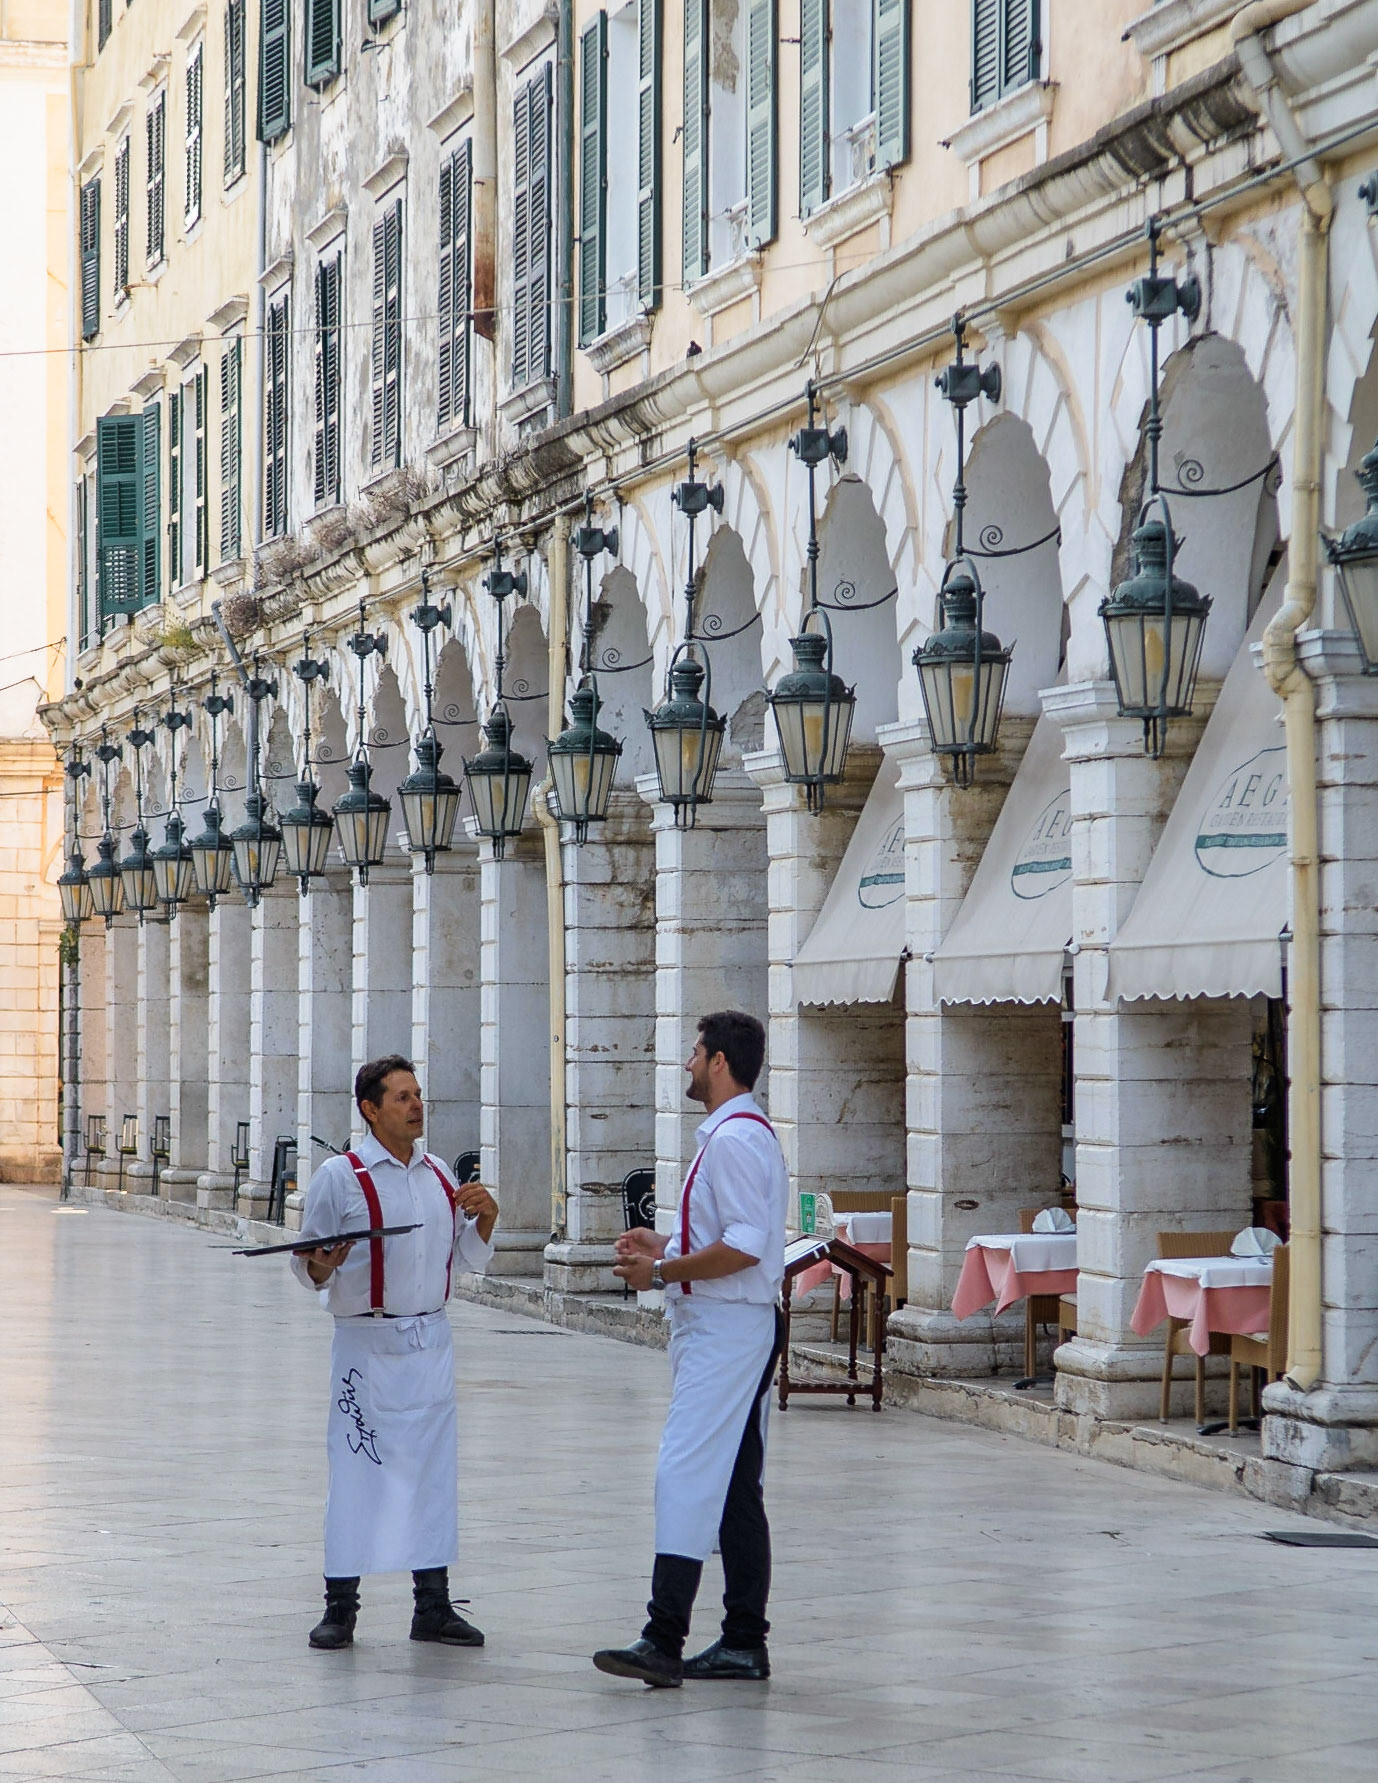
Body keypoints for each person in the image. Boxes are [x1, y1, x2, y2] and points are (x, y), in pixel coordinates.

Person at [593, 1010, 788, 1688]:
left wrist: (663, 1272)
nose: (687, 1063)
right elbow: (733, 1235)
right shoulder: (739, 1134)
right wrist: (668, 1245)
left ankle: (663, 1635)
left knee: (682, 1472)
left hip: (727, 1331)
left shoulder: (734, 1139)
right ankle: (742, 1640)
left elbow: (744, 1245)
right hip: (732, 1325)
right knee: (734, 1488)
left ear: (721, 1062)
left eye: (695, 1052)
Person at [291, 1054, 498, 1652]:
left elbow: (463, 1258)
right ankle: (340, 1607)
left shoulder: (438, 1176)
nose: (416, 1106)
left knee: (432, 1474)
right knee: (357, 1468)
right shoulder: (341, 1176)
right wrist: (321, 1263)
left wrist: (486, 1220)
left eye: (417, 1095)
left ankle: (432, 1605)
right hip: (366, 1345)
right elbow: (310, 1265)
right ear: (370, 1109)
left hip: (430, 1342)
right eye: (402, 1097)